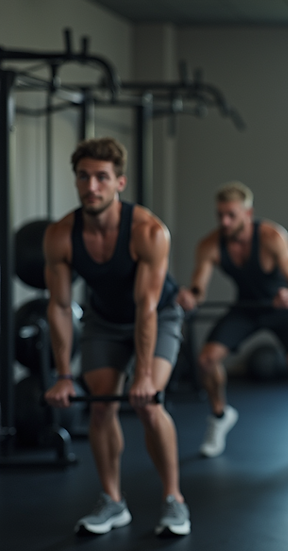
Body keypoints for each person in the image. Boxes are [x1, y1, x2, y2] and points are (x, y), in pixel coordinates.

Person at [43, 137, 190, 536]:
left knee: (149, 404)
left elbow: (146, 306)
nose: (91, 186)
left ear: (120, 182)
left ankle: (174, 499)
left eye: (102, 177)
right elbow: (59, 307)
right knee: (101, 407)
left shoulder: (148, 231)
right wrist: (63, 375)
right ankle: (112, 501)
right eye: (83, 177)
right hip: (104, 321)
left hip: (158, 315)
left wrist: (143, 374)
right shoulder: (60, 235)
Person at [175, 182, 288, 462]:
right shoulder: (210, 244)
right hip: (246, 309)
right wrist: (190, 296)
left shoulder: (272, 237)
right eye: (220, 215)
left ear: (248, 213)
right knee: (206, 360)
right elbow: (198, 287)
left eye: (231, 215)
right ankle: (220, 415)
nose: (224, 222)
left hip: (281, 307)